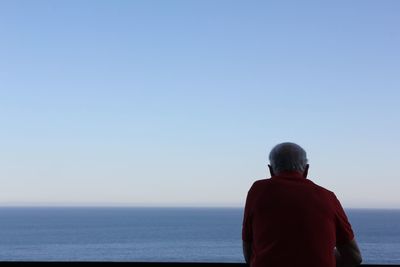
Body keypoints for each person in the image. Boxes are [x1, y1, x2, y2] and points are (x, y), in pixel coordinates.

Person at [242, 142, 362, 267]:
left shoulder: (257, 191)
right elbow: (354, 257)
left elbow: (248, 254)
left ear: (270, 170)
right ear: (306, 169)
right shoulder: (328, 197)